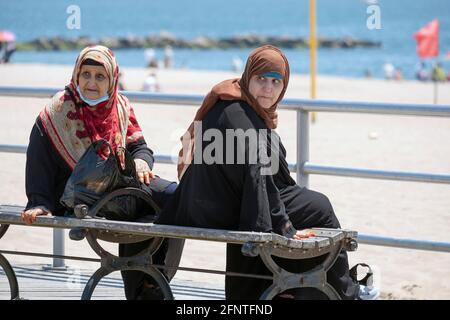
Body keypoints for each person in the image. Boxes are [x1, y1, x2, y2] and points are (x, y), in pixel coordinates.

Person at [156, 45, 378, 300]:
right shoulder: (239, 114)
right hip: (222, 208)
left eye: (276, 82)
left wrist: (277, 215)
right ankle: (344, 292)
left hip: (213, 202)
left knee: (298, 204)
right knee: (319, 207)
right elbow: (257, 171)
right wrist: (283, 225)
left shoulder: (232, 101)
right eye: (261, 79)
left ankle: (287, 289)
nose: (268, 88)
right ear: (248, 77)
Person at [20, 45, 184, 299]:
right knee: (162, 200)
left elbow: (140, 147)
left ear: (112, 79)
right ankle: (146, 287)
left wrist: (141, 162)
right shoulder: (57, 111)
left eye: (100, 76)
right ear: (76, 75)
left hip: (122, 188)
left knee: (177, 198)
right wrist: (39, 202)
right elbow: (38, 160)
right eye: (86, 74)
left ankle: (152, 284)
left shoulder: (119, 105)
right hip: (82, 198)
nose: (91, 83)